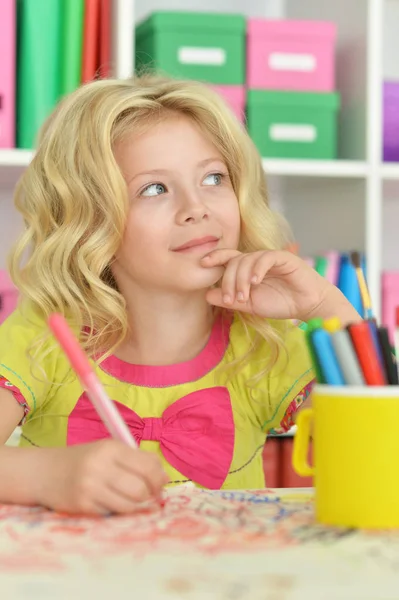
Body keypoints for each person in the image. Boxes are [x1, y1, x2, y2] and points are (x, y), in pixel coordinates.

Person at [0, 75, 360, 515]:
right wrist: (46, 476)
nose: (197, 207)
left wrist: (328, 307)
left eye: (213, 178)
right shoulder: (45, 333)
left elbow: (382, 444)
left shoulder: (262, 342)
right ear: (90, 221)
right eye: (155, 188)